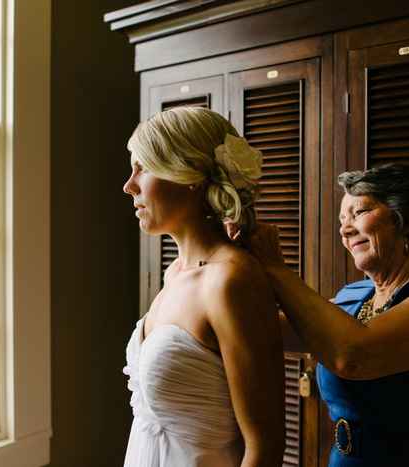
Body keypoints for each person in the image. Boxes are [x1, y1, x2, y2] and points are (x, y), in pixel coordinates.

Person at [239, 163, 409, 465]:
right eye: (342, 219)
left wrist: (275, 267)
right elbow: (263, 333)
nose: (345, 229)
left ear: (405, 221)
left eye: (359, 213)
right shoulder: (355, 297)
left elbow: (352, 356)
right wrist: (228, 259)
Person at [121, 106, 286, 466]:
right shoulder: (174, 274)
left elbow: (265, 447)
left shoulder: (231, 280)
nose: (128, 185)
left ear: (189, 176)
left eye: (142, 168)